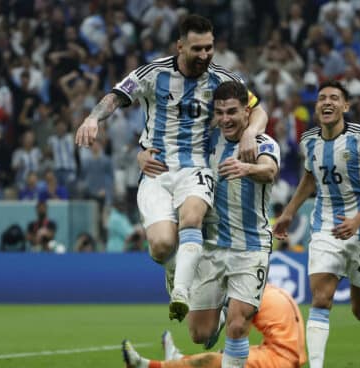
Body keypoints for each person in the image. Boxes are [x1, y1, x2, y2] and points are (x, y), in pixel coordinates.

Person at [75, 14, 267, 321]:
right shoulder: (154, 73)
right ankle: (173, 272)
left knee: (192, 219)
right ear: (180, 46)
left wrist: (248, 133)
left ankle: (181, 293)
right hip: (156, 169)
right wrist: (92, 118)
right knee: (162, 245)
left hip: (197, 168)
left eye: (209, 48)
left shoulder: (222, 79)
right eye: (197, 49)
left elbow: (258, 111)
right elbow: (115, 96)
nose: (205, 55)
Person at [273, 80, 360, 368]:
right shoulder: (309, 140)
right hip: (325, 226)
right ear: (316, 107)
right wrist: (289, 211)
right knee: (321, 298)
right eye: (322, 98)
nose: (327, 102)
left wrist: (357, 219)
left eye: (334, 98)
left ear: (345, 106)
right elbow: (310, 177)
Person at [183, 81, 279, 367]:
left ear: (247, 113)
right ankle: (222, 310)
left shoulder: (263, 143)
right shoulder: (209, 140)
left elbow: (270, 171)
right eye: (220, 112)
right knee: (200, 334)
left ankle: (232, 313)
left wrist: (246, 168)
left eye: (232, 112)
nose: (226, 118)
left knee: (239, 326)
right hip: (211, 247)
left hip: (251, 248)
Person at [122, 283, 307, 368]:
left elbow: (238, 330)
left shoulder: (251, 296)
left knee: (214, 361)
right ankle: (178, 358)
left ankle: (146, 366)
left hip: (280, 361)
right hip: (289, 355)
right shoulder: (273, 291)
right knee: (226, 356)